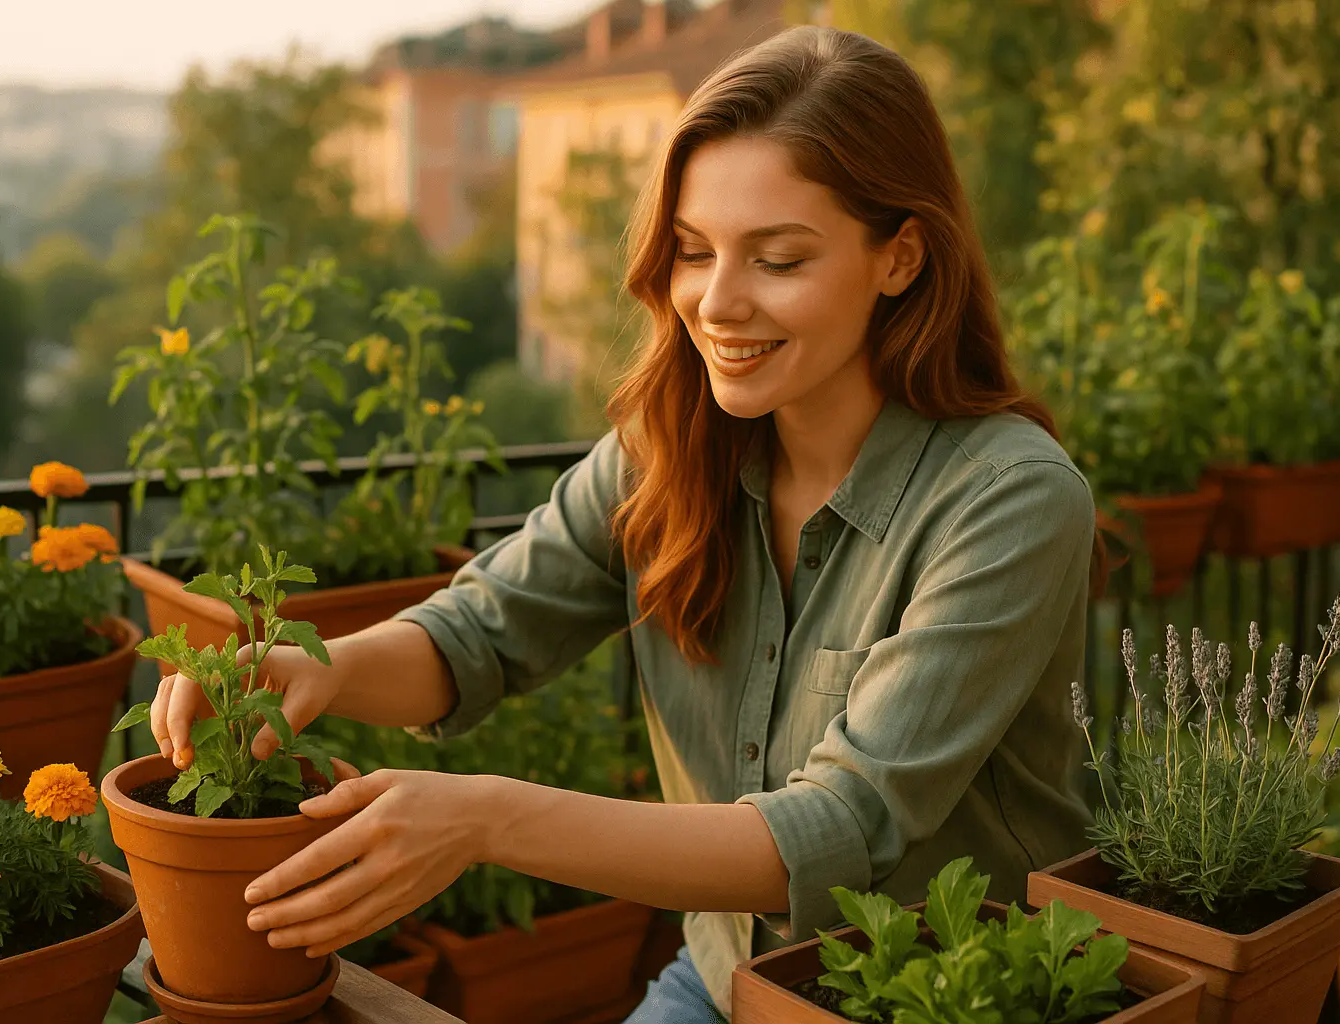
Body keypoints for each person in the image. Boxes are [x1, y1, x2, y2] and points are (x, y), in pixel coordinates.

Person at [149, 25, 1097, 1023]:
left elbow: (842, 825)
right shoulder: (666, 451)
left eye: (778, 259)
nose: (717, 303)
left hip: (953, 999)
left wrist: (486, 818)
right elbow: (481, 631)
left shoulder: (1010, 499)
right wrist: (320, 669)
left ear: (900, 257)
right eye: (694, 252)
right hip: (726, 979)